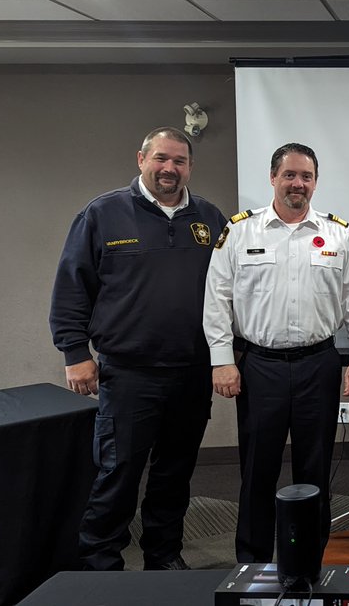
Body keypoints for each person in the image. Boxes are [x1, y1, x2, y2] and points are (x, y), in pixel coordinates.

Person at [49, 126, 227, 571]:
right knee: (119, 472)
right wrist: (75, 353)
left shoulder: (210, 218)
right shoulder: (102, 213)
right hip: (129, 372)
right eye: (161, 159)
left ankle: (163, 557)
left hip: (191, 370)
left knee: (175, 473)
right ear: (141, 159)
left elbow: (231, 290)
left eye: (180, 161)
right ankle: (100, 564)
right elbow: (72, 288)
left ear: (190, 167)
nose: (170, 168)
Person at [202, 143, 349, 563]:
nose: (298, 184)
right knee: (258, 470)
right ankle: (253, 561)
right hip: (260, 367)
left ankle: (310, 560)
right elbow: (216, 298)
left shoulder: (337, 234)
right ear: (273, 178)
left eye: (306, 176)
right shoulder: (239, 232)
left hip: (319, 364)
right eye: (290, 175)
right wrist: (222, 360)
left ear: (315, 182)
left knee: (316, 469)